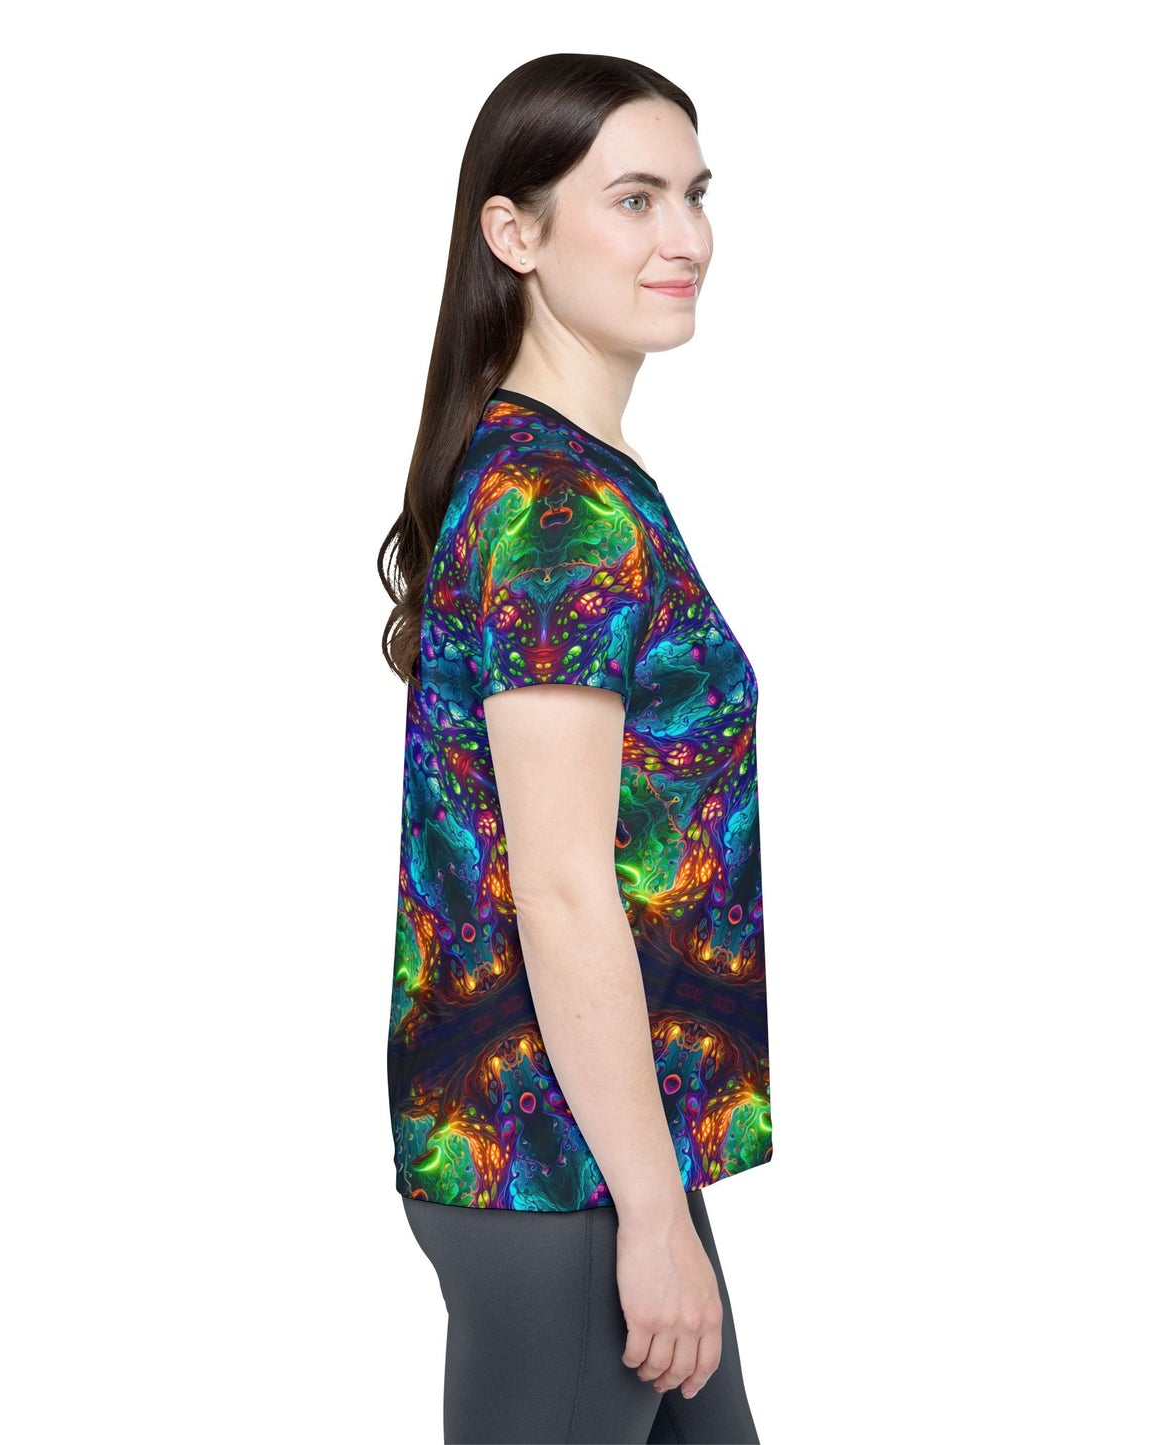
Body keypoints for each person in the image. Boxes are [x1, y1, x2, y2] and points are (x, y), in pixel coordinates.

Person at [378, 53, 772, 1445]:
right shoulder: (557, 508)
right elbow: (556, 887)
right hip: (553, 1165)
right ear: (516, 233)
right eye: (635, 198)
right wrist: (651, 1214)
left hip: (600, 1147)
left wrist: (657, 1195)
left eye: (696, 195)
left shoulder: (574, 478)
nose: (686, 238)